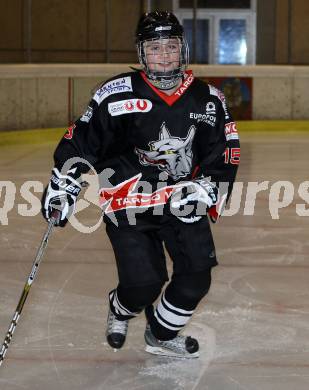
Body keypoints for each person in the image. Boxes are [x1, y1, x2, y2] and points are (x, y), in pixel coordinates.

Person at [42, 11, 240, 358]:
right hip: (128, 201)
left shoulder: (208, 100)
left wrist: (209, 187)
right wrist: (64, 181)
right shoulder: (115, 94)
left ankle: (160, 334)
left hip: (182, 200)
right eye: (154, 47)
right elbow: (83, 141)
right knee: (143, 284)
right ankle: (121, 307)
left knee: (196, 278)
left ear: (184, 49)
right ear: (141, 53)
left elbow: (226, 152)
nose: (164, 55)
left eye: (171, 46)